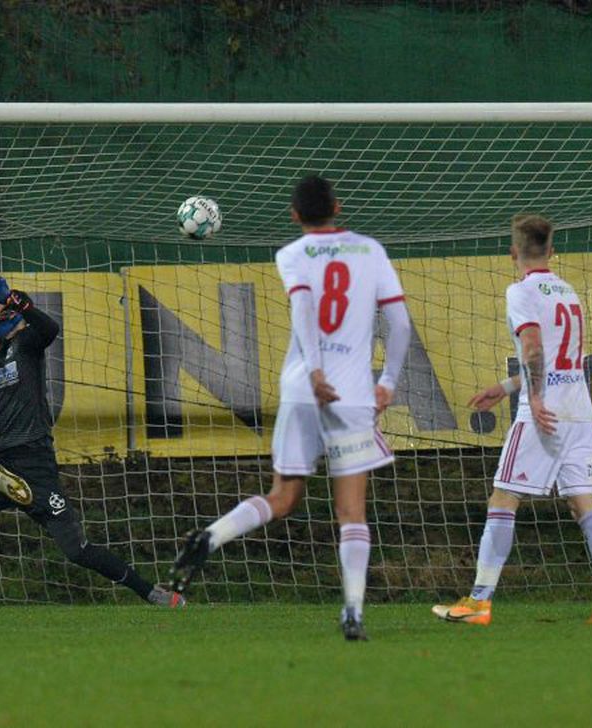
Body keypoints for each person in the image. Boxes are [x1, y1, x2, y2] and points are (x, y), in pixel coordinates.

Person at [169, 175, 412, 640]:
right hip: (352, 395)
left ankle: (210, 538)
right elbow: (399, 322)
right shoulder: (370, 251)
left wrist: (314, 371)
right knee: (351, 512)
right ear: (337, 208)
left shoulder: (291, 254)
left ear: (294, 215)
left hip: (302, 389)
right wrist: (389, 381)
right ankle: (354, 611)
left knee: (283, 496)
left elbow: (303, 310)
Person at [0, 277, 185, 609]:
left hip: (36, 465)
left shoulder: (29, 342)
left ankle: (152, 593)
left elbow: (49, 328)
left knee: (77, 550)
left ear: (14, 315)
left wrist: (15, 300)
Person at [432, 214, 592, 625]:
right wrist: (506, 387)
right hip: (579, 411)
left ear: (513, 252)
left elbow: (534, 346)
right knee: (584, 504)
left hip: (545, 414)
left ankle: (478, 602)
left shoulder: (520, 291)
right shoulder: (568, 292)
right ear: (552, 250)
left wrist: (535, 397)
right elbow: (562, 359)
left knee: (503, 498)